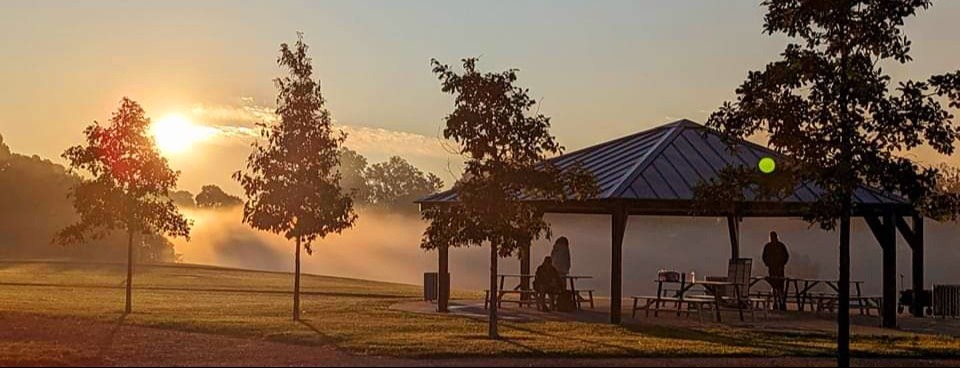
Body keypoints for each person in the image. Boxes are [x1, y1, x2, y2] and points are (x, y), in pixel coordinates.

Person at [762, 231, 790, 311]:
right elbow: (786, 256)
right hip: (777, 269)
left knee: (776, 286)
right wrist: (781, 264)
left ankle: (778, 302)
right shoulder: (780, 246)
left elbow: (764, 257)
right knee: (777, 287)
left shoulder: (769, 246)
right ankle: (780, 302)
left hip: (775, 269)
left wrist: (768, 263)